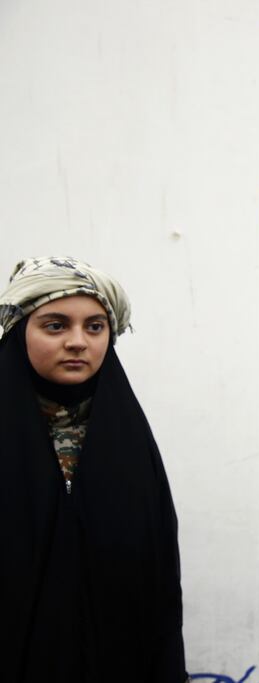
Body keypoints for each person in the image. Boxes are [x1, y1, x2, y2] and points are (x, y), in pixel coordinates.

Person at [0, 257, 187, 682]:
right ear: (18, 331)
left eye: (95, 326)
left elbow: (158, 590)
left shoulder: (129, 445)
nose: (77, 342)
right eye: (55, 325)